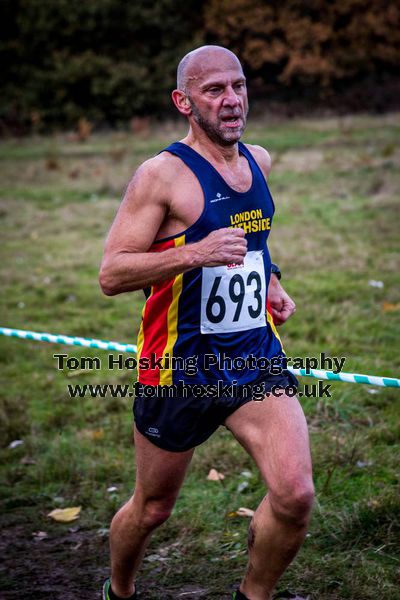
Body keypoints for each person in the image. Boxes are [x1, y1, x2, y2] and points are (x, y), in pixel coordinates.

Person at [99, 45, 314, 600]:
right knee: (153, 508)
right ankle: (118, 591)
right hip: (177, 368)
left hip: (251, 357)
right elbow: (113, 272)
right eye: (214, 90)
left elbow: (252, 242)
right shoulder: (161, 176)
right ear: (184, 102)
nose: (232, 100)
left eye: (238, 86)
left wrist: (270, 279)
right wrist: (192, 253)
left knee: (294, 495)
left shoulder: (258, 162)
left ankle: (253, 595)